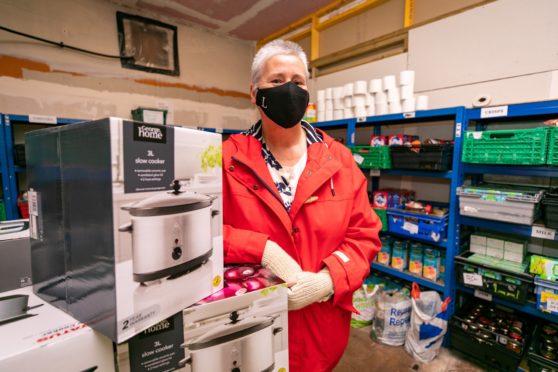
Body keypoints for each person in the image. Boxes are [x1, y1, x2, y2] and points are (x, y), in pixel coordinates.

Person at [222, 39, 381, 371]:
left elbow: (364, 235)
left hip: (320, 330)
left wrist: (329, 280)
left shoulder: (338, 159)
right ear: (254, 93)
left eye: (297, 83)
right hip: (248, 326)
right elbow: (202, 231)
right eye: (276, 81)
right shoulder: (227, 159)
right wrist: (262, 249)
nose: (289, 91)